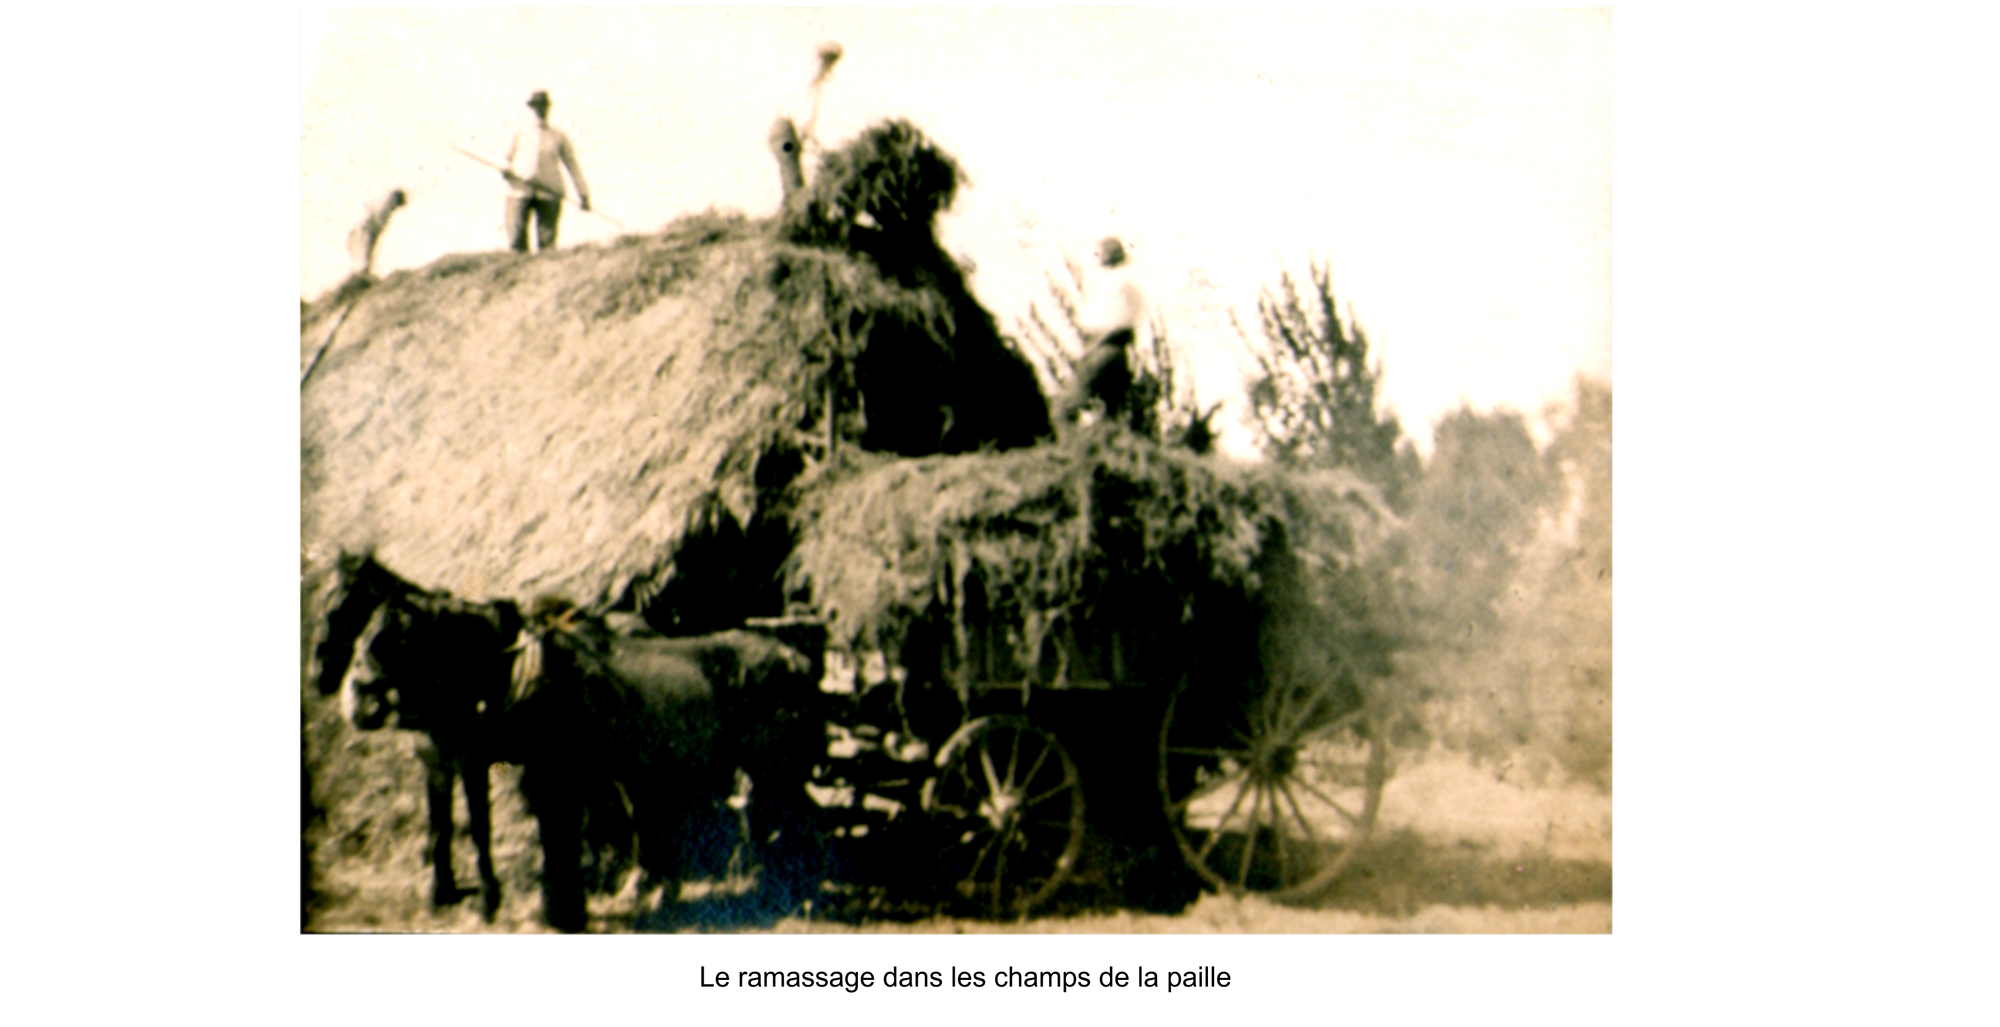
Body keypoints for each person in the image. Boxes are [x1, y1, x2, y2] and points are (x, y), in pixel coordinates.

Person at [1056, 236, 1147, 425]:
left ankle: (1070, 448)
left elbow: (1116, 322)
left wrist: (1093, 346)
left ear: (1109, 255)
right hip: (1117, 349)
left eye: (1100, 252)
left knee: (1069, 404)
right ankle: (1110, 446)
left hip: (1103, 346)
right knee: (1112, 410)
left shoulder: (1116, 282)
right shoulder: (1123, 280)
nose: (1097, 256)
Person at [503, 90, 591, 254]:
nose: (540, 111)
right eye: (536, 107)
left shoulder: (558, 137)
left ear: (548, 109)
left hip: (549, 194)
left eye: (543, 107)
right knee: (516, 241)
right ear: (531, 109)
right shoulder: (519, 134)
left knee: (547, 244)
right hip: (519, 191)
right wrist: (506, 171)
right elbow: (503, 159)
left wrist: (583, 195)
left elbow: (573, 166)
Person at [347, 188, 406, 279]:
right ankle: (360, 279)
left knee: (363, 261)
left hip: (362, 232)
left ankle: (361, 277)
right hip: (364, 232)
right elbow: (375, 226)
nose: (395, 208)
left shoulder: (382, 203)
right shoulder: (385, 206)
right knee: (363, 262)